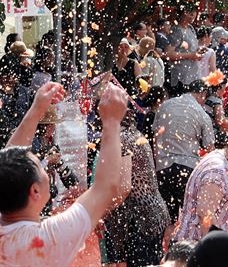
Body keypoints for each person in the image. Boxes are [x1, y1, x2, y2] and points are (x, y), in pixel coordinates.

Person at [0, 82, 132, 266]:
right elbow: (105, 189)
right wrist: (112, 121)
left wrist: (36, 110)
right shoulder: (47, 238)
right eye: (41, 168)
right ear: (35, 191)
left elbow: (8, 163)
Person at [101, 113, 170, 267]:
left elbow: (124, 187)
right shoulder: (134, 134)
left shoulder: (122, 139)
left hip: (142, 218)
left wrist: (103, 211)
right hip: (151, 214)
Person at [153, 80, 216, 222]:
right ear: (203, 94)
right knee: (187, 218)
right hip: (187, 169)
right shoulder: (202, 114)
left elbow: (156, 139)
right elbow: (210, 150)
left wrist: (157, 165)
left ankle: (166, 242)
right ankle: (183, 243)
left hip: (163, 167)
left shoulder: (165, 106)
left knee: (166, 217)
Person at [173, 147, 228, 241]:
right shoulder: (217, 171)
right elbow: (205, 214)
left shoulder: (224, 160)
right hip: (195, 244)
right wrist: (214, 246)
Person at [165, 7, 203, 95]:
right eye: (190, 12)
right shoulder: (176, 30)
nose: (193, 15)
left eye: (194, 12)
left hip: (193, 75)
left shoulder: (191, 28)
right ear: (183, 13)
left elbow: (192, 49)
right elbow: (169, 54)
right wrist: (190, 55)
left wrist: (199, 52)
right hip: (180, 77)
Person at [0, 55, 33, 147]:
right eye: (5, 75)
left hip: (22, 143)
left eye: (12, 76)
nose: (9, 79)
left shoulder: (26, 93)